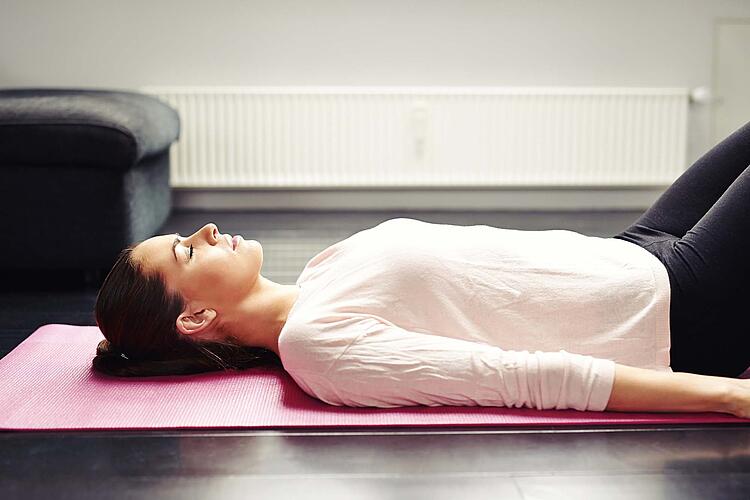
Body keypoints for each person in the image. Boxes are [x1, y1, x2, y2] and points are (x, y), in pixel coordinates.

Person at [93, 120, 750, 419]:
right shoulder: (316, 345)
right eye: (187, 250)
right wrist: (728, 397)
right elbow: (522, 379)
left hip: (638, 253)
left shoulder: (320, 275)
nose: (205, 230)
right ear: (197, 317)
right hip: (682, 312)